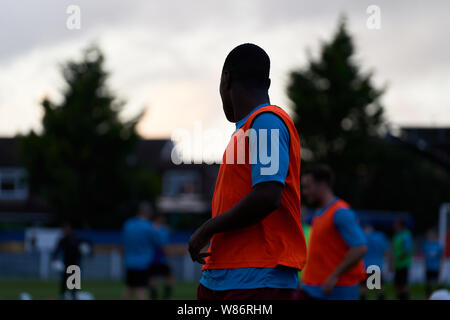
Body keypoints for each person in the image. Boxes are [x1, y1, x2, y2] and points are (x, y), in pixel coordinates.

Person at [188, 43, 307, 300]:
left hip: (257, 276)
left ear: (226, 80)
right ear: (268, 82)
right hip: (225, 274)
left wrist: (207, 229)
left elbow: (267, 196)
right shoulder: (246, 130)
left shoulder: (266, 120)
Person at [299, 165, 367, 300]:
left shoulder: (340, 212)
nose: (304, 192)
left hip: (336, 291)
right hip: (314, 289)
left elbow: (360, 248)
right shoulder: (320, 212)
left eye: (308, 186)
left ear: (323, 185)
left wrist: (334, 276)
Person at [122, 201, 163, 300]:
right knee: (142, 290)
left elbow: (124, 242)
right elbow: (159, 242)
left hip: (129, 262)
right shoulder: (149, 226)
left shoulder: (128, 224)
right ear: (148, 213)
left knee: (129, 289)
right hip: (143, 263)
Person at [52, 222, 87, 300]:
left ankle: (74, 295)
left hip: (75, 264)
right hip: (66, 263)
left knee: (74, 282)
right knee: (64, 281)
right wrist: (54, 259)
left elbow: (84, 248)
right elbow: (57, 250)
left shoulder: (76, 239)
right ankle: (63, 295)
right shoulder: (63, 240)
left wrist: (87, 252)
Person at [148, 213, 174, 300]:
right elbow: (164, 245)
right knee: (168, 277)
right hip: (161, 257)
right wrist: (168, 256)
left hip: (152, 257)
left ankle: (154, 297)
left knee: (153, 277)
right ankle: (166, 296)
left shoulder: (149, 228)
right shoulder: (163, 230)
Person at [360, 224, 390, 300]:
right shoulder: (380, 236)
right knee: (378, 288)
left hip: (365, 266)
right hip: (376, 266)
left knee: (363, 288)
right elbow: (386, 251)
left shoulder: (362, 236)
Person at [392, 219, 413, 300]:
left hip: (404, 263)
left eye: (396, 224)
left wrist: (397, 258)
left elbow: (407, 251)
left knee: (403, 284)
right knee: (397, 284)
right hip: (397, 264)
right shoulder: (397, 235)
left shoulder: (406, 235)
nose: (394, 226)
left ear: (401, 225)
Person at [422, 229, 443, 297]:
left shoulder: (438, 245)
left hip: (436, 266)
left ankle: (439, 296)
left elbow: (441, 257)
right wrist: (424, 266)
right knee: (428, 283)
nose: (430, 236)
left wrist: (441, 267)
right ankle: (429, 296)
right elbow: (424, 257)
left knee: (438, 282)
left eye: (432, 235)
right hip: (428, 267)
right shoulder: (426, 245)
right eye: (429, 235)